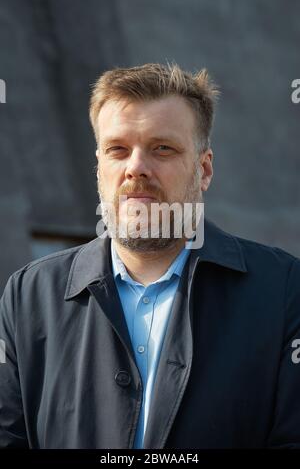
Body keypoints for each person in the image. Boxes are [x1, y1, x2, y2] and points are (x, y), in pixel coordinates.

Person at [1, 63, 300, 449]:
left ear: (204, 169)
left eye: (162, 148)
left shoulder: (282, 292)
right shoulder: (28, 297)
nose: (136, 168)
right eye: (117, 150)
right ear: (99, 168)